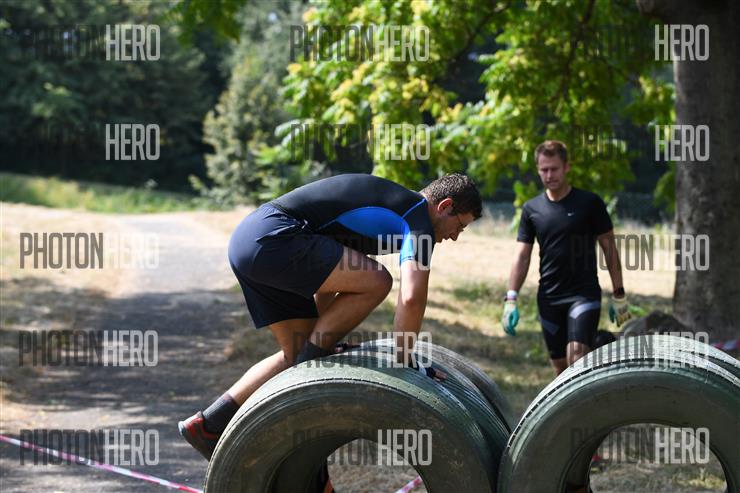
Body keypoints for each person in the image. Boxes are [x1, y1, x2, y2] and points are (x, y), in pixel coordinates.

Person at [179, 172, 482, 460]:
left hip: (250, 240)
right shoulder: (417, 217)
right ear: (444, 206)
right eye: (460, 226)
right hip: (275, 236)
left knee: (297, 351)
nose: (455, 237)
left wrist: (315, 345)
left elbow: (331, 278)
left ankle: (208, 425)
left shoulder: (387, 209)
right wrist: (405, 362)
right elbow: (412, 297)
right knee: (378, 281)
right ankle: (305, 372)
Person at [501, 140, 631, 375]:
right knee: (561, 368)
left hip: (584, 293)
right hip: (549, 297)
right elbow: (522, 256)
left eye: (554, 169)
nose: (549, 175)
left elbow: (609, 249)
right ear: (538, 169)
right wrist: (511, 299)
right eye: (544, 170)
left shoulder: (590, 203)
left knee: (576, 355)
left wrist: (619, 293)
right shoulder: (531, 209)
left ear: (567, 167)